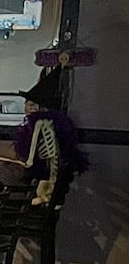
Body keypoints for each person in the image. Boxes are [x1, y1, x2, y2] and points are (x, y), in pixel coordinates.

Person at [13, 66, 89, 206]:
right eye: (26, 104)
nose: (27, 108)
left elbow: (30, 160)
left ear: (39, 108)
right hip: (54, 180)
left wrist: (27, 162)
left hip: (44, 177)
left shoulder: (40, 124)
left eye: (30, 104)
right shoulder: (56, 126)